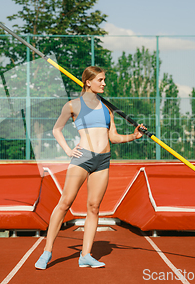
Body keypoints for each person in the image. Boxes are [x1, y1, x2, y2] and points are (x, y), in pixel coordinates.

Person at [35, 66, 145, 270]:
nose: (104, 83)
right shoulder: (73, 105)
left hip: (103, 160)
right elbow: (56, 129)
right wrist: (68, 150)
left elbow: (113, 137)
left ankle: (85, 255)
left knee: (94, 207)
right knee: (65, 203)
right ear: (88, 82)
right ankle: (47, 252)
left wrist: (133, 136)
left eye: (104, 80)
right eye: (100, 80)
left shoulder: (107, 109)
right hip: (82, 158)